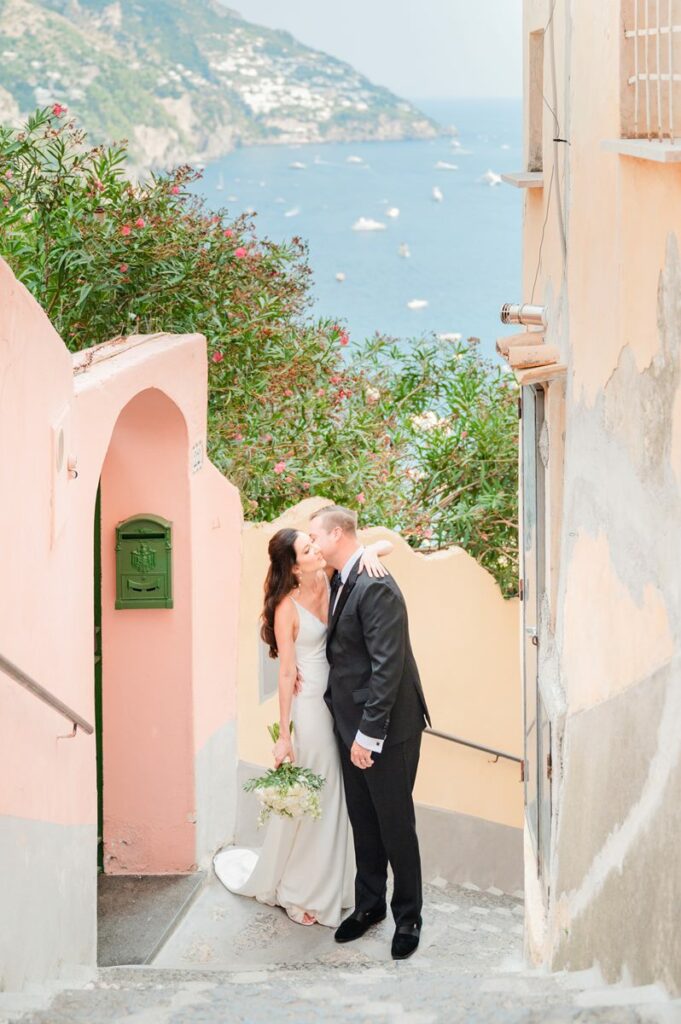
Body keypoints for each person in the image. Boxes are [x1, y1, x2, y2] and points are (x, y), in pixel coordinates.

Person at [213, 526, 391, 927]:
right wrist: (284, 735)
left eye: (314, 544)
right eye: (308, 549)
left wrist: (372, 551)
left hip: (342, 701)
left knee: (339, 796)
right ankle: (301, 888)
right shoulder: (286, 607)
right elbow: (286, 671)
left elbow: (383, 545)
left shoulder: (330, 577)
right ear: (293, 567)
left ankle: (336, 883)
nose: (316, 550)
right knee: (320, 794)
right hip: (310, 706)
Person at [308, 505, 430, 961]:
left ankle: (409, 916)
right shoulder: (345, 574)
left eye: (316, 537)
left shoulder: (375, 585)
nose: (314, 545)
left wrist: (368, 736)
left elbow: (387, 669)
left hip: (384, 730)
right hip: (348, 725)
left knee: (396, 825)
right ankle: (370, 905)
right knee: (365, 821)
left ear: (337, 534)